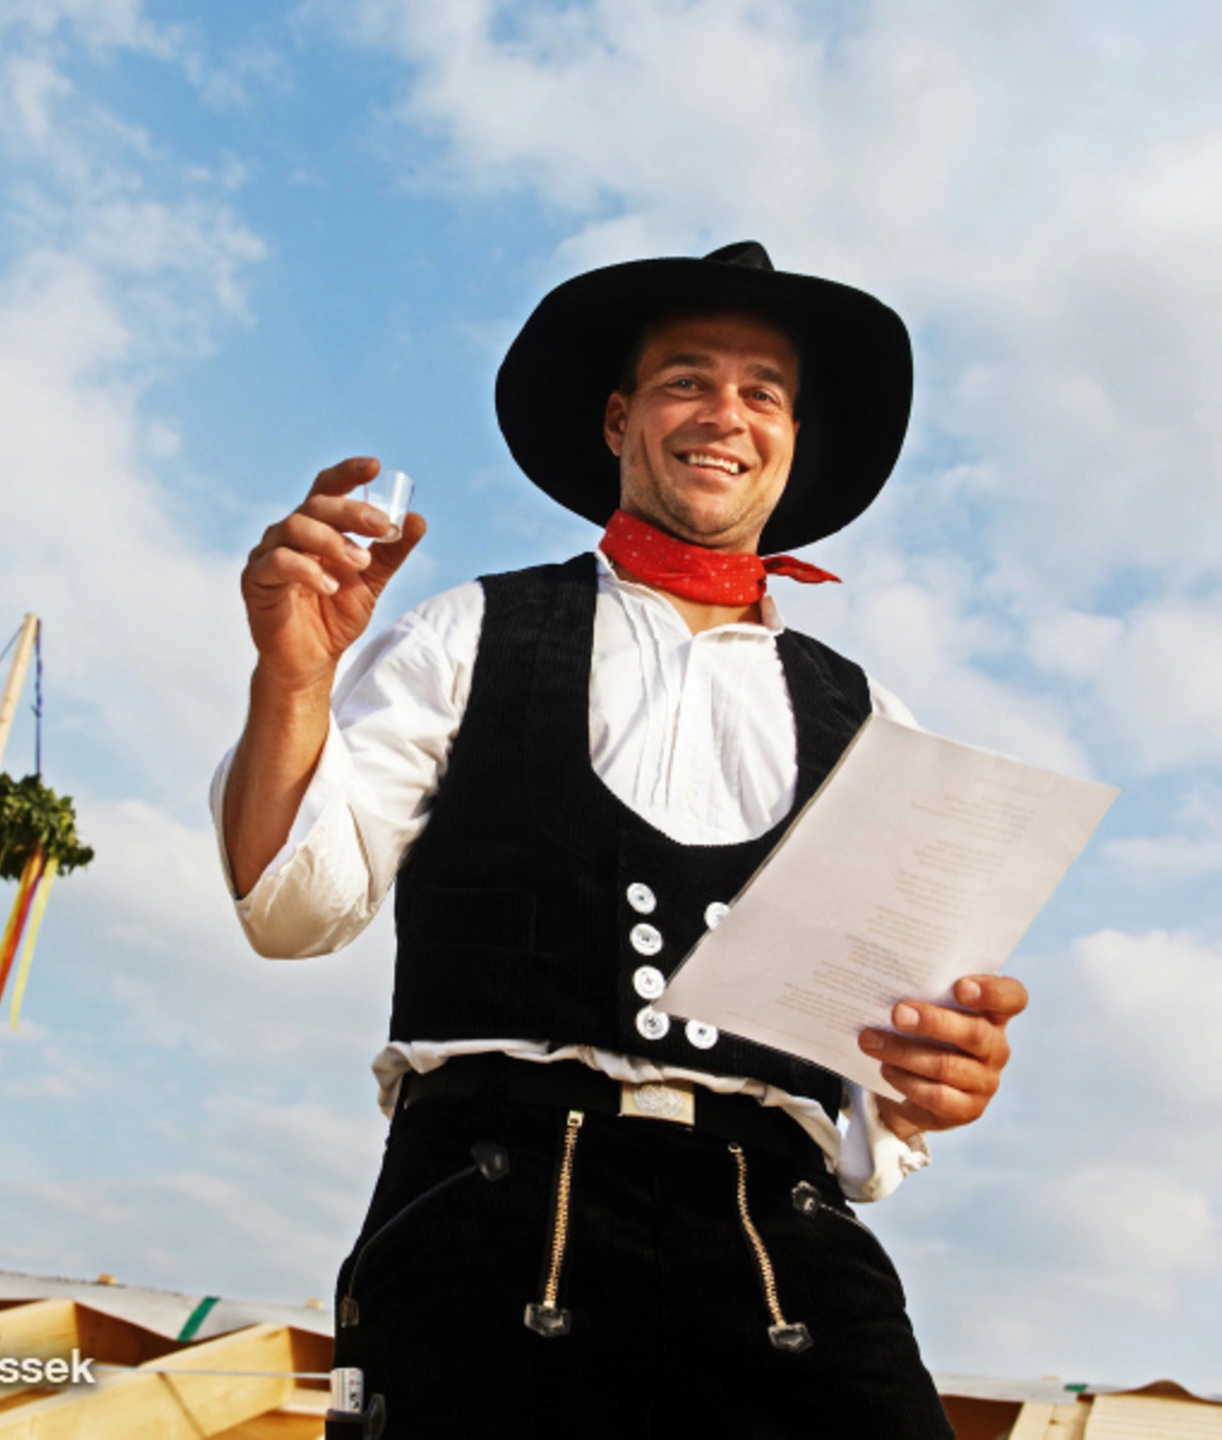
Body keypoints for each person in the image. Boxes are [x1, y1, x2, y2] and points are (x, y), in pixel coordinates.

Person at [212, 242, 1027, 1438]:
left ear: (790, 438)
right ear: (619, 419)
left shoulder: (874, 727)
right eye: (686, 380)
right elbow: (292, 912)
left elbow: (879, 1095)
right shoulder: (471, 632)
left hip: (783, 1259)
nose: (726, 414)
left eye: (763, 392)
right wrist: (293, 679)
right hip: (487, 1230)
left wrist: (939, 1076)